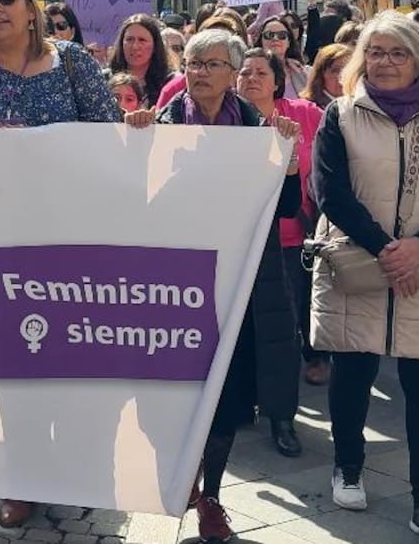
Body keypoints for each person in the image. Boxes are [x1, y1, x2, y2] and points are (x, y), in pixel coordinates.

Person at [0, 0, 118, 528]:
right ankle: (22, 478)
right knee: (13, 364)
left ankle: (68, 470)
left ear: (31, 8)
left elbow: (107, 134)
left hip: (69, 238)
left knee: (68, 360)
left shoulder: (72, 63)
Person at [126, 29, 301, 544]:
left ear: (233, 74)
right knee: (166, 397)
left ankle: (213, 497)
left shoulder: (258, 131)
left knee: (226, 400)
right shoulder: (155, 126)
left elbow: (286, 209)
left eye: (212, 64)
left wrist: (286, 162)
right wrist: (131, 142)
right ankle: (182, 480)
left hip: (234, 290)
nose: (199, 71)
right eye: (194, 62)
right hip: (168, 289)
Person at [310, 12, 419, 523]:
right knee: (352, 373)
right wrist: (388, 248)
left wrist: (415, 247)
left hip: (418, 266)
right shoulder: (342, 114)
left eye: (398, 52)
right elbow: (330, 192)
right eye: (375, 52)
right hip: (357, 260)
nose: (386, 62)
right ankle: (347, 466)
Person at [237, 47, 326, 441]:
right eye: (244, 71)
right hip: (234, 243)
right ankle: (240, 408)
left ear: (277, 82)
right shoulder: (226, 118)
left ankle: (281, 417)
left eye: (261, 72)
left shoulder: (305, 116)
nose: (251, 78)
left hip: (287, 241)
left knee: (282, 333)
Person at [109, 14, 172, 107]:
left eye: (142, 40)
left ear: (155, 46)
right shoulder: (104, 79)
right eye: (129, 39)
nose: (135, 46)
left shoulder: (169, 82)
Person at [253, 16, 308, 98]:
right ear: (261, 40)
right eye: (269, 35)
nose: (275, 39)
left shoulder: (303, 72)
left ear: (289, 41)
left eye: (282, 35)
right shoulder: (250, 71)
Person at [300, 43, 352, 109]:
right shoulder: (306, 108)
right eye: (336, 71)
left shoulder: (359, 106)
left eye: (348, 69)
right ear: (320, 74)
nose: (343, 76)